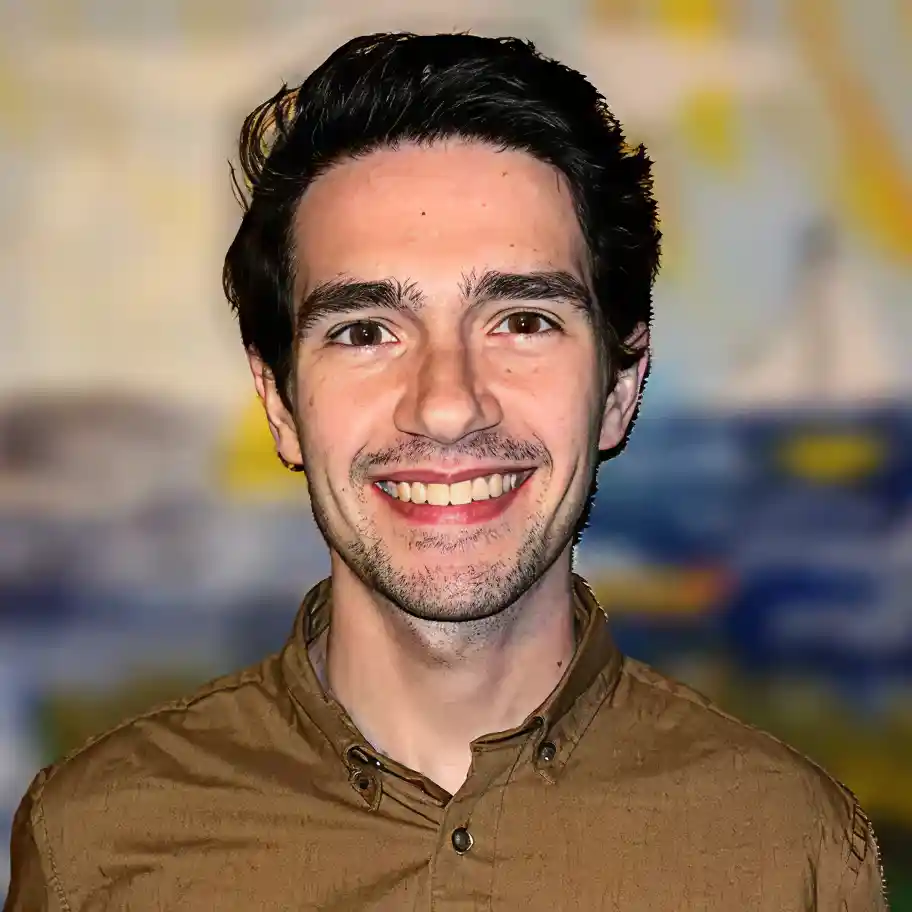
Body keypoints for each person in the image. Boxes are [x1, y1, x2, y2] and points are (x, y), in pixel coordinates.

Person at [4, 32, 888, 911]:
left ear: (621, 389)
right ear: (281, 406)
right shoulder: (98, 849)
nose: (447, 404)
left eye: (523, 321)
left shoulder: (791, 854)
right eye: (364, 332)